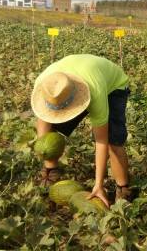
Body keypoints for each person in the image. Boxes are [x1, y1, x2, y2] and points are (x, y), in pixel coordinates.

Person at [31, 54, 131, 207]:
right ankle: (52, 172)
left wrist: (98, 185)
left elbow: (101, 141)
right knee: (51, 131)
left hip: (114, 87)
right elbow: (44, 126)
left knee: (113, 142)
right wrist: (46, 157)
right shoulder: (46, 86)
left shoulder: (95, 91)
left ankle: (123, 189)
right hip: (78, 74)